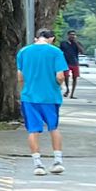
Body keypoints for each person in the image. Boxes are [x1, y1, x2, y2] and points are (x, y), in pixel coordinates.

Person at [16, 30, 70, 176]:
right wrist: (61, 86)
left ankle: (38, 165)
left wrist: (26, 89)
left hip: (29, 97)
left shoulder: (23, 51)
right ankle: (58, 161)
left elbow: (20, 77)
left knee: (33, 130)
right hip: (50, 97)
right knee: (54, 127)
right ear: (51, 38)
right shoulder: (56, 52)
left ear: (36, 38)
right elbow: (60, 76)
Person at [59, 31, 81, 98]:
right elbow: (60, 52)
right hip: (66, 62)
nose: (72, 36)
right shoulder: (63, 43)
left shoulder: (77, 43)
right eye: (71, 35)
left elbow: (82, 51)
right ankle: (67, 89)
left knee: (75, 78)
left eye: (74, 35)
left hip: (75, 62)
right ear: (68, 35)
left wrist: (76, 43)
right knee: (66, 76)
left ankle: (72, 94)